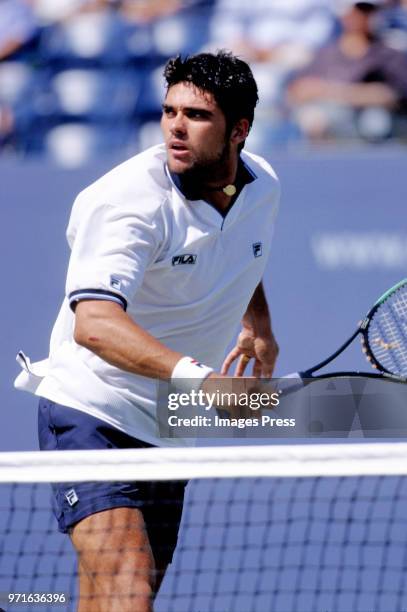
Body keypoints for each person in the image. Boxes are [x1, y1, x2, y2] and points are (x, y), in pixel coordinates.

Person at [14, 50, 280, 611]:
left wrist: (256, 324)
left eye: (196, 116)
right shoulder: (126, 203)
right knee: (128, 588)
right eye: (168, 111)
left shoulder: (264, 187)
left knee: (115, 595)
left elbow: (239, 249)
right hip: (93, 411)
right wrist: (202, 380)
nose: (176, 127)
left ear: (239, 131)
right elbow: (94, 324)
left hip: (166, 425)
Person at [287, 0, 407, 141]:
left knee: (375, 120)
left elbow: (392, 95)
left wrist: (328, 91)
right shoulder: (325, 55)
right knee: (312, 118)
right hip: (334, 127)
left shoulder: (389, 54)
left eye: (368, 12)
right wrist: (362, 94)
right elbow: (299, 91)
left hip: (373, 129)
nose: (364, 17)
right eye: (358, 11)